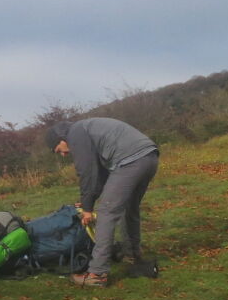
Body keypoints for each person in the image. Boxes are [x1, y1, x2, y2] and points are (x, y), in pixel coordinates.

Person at [45, 117, 159, 288]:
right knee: (129, 209)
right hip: (149, 157)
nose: (63, 154)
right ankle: (132, 255)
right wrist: (86, 204)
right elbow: (102, 176)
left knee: (106, 213)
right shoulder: (86, 129)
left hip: (130, 161)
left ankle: (97, 274)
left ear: (61, 139)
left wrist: (88, 209)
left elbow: (87, 173)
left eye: (58, 150)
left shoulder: (75, 133)